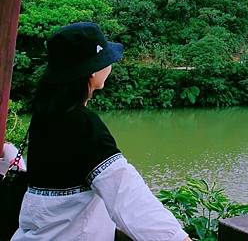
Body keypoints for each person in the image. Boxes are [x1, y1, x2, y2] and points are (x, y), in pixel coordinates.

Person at [11, 22, 191, 241]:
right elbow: (127, 196)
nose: (111, 65)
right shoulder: (83, 124)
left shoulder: (46, 115)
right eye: (107, 60)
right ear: (93, 70)